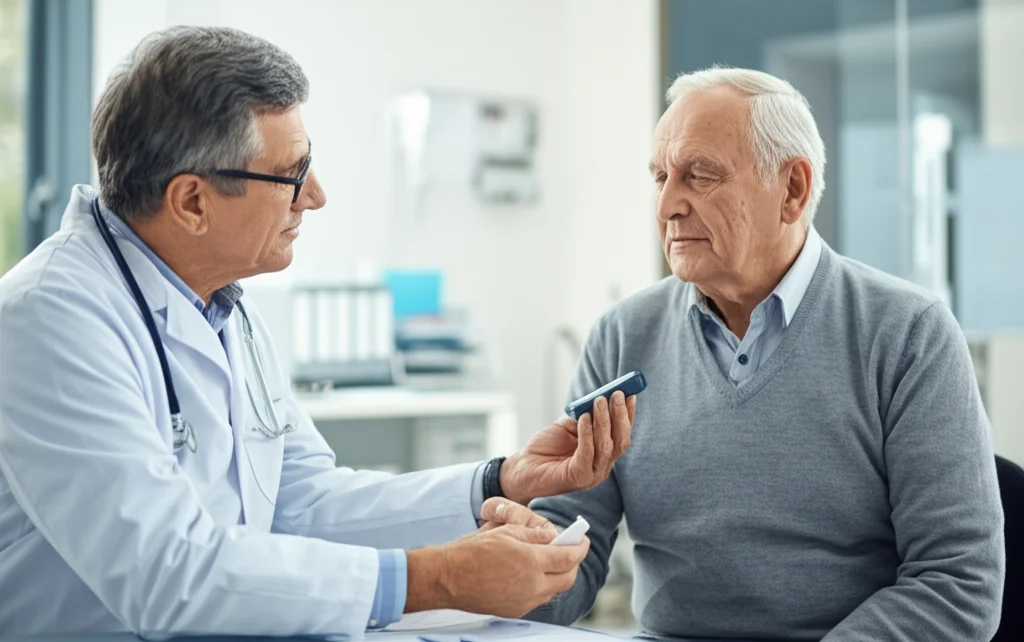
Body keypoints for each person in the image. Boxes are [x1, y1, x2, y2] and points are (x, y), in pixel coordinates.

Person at [0, 26, 638, 638]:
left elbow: (301, 503)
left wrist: (498, 481)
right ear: (192, 201)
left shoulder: (224, 307)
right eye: (291, 176)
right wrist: (436, 579)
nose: (316, 197)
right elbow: (164, 574)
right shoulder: (49, 319)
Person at [528, 67, 1005, 641]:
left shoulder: (909, 334)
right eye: (660, 178)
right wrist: (517, 562)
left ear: (793, 190)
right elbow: (568, 552)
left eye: (699, 175)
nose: (668, 205)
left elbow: (958, 582)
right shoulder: (623, 335)